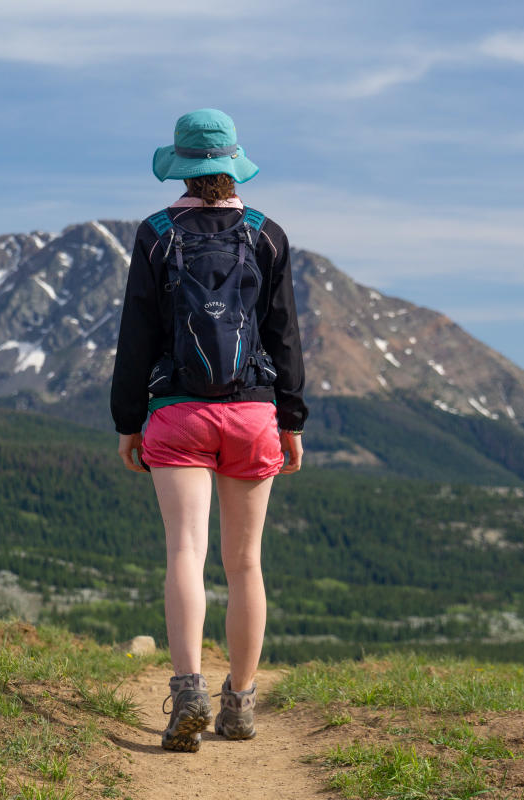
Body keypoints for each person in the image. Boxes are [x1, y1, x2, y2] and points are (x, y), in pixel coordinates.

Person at [110, 108, 307, 752]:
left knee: (183, 558)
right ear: (231, 165)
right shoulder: (267, 235)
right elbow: (283, 333)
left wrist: (127, 420)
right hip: (253, 414)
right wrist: (292, 419)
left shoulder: (157, 234)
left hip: (177, 413)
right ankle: (240, 704)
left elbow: (136, 334)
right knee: (245, 563)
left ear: (184, 166)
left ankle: (188, 692)